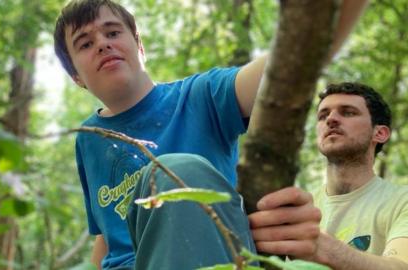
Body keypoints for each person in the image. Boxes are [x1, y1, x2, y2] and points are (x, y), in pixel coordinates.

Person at [53, 0, 368, 269]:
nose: (103, 44)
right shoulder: (88, 139)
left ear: (140, 47)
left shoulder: (202, 96)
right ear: (76, 77)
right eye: (85, 43)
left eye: (112, 32)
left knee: (176, 172)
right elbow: (106, 238)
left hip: (212, 258)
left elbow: (295, 57)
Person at [310, 82, 408, 269]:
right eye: (323, 116)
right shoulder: (302, 205)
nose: (331, 119)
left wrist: (321, 248)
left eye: (348, 112)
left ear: (379, 133)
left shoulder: (402, 201)